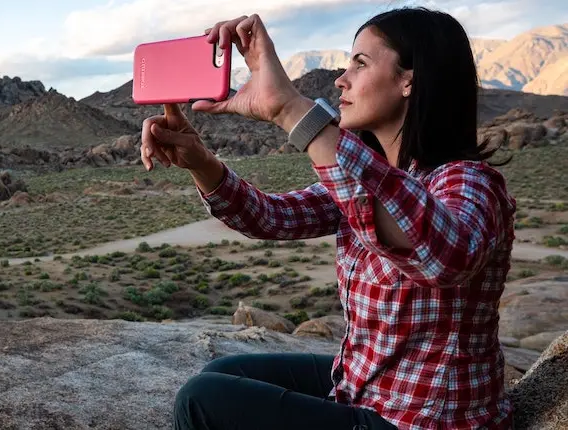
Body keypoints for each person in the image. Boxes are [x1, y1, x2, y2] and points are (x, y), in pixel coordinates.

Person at [139, 7, 516, 430]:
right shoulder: (368, 173)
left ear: (410, 79)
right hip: (371, 387)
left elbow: (445, 256)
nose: (341, 79)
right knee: (222, 373)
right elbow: (271, 217)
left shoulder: (470, 182)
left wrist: (290, 110)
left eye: (361, 62)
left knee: (202, 400)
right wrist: (200, 162)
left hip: (426, 419)